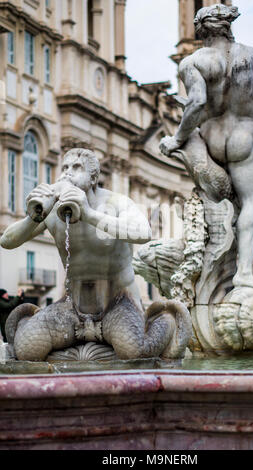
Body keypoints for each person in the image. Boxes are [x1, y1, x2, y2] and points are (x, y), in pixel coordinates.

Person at [0, 148, 191, 361]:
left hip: (117, 303)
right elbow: (6, 241)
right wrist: (33, 217)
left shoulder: (115, 202)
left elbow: (143, 232)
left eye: (76, 167)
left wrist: (89, 214)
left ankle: (164, 320)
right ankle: (28, 322)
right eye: (64, 167)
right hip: (72, 306)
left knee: (135, 352)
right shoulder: (54, 211)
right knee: (27, 350)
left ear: (93, 177)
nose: (67, 173)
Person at [159, 3, 253, 290]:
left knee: (213, 200)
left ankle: (209, 269)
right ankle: (243, 272)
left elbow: (196, 104)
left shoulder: (193, 62)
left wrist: (178, 138)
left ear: (201, 30)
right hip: (244, 135)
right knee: (251, 204)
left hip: (213, 139)